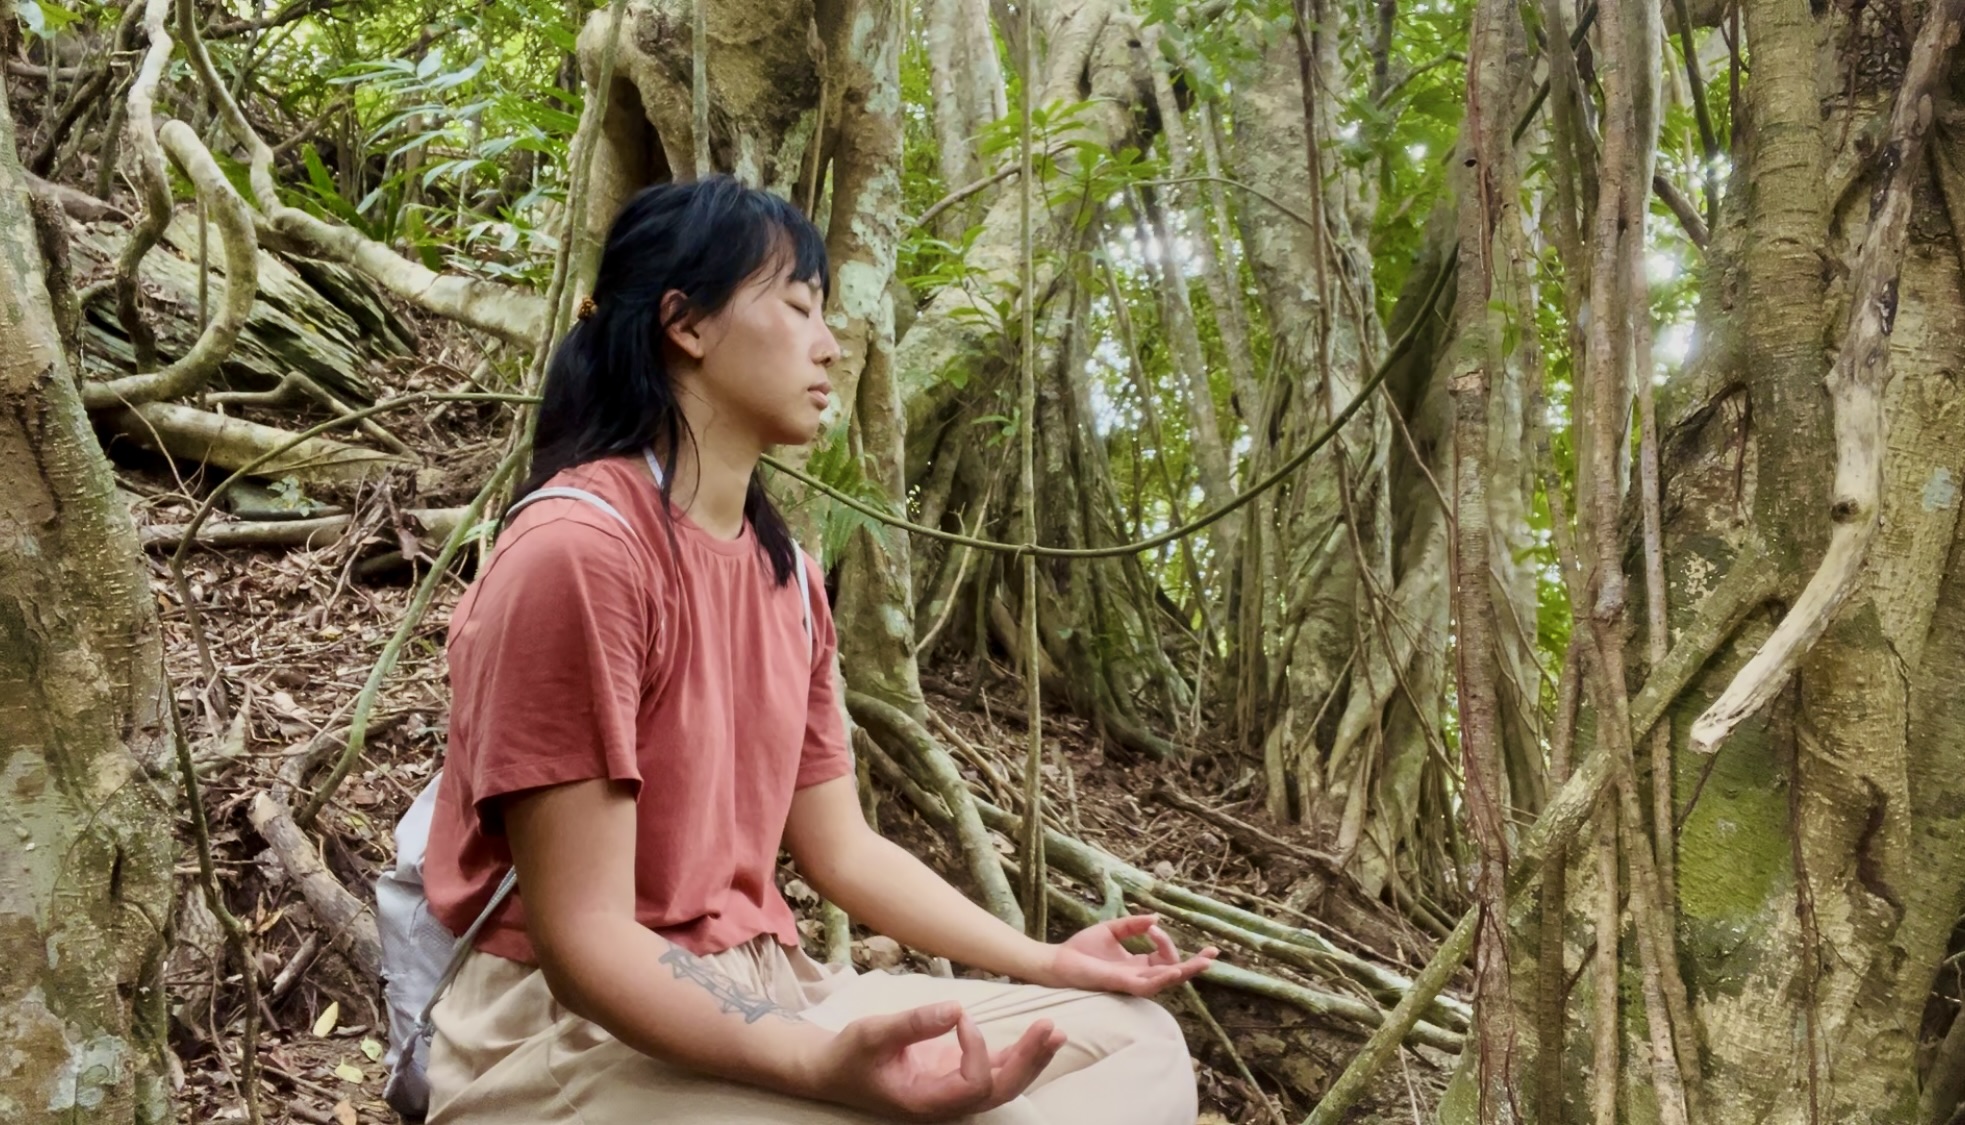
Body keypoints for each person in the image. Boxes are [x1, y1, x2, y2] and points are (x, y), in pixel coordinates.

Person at [418, 176, 1217, 1125]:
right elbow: (586, 940)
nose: (829, 344)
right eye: (798, 307)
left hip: (773, 989)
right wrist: (817, 1063)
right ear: (686, 324)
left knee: (1133, 1036)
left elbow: (842, 848)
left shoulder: (789, 578)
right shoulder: (580, 553)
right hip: (567, 1039)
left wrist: (1047, 960)